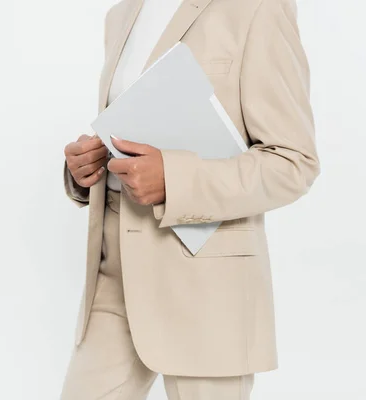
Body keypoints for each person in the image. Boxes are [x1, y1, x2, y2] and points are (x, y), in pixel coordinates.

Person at [60, 0, 320, 399]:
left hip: (206, 287)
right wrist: (86, 170)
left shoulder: (257, 8)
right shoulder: (123, 13)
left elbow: (293, 162)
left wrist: (174, 179)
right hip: (114, 276)